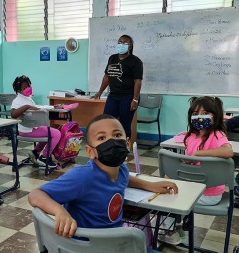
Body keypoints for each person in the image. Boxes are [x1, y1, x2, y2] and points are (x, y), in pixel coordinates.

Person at [28, 114, 178, 238]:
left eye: (117, 135)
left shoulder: (122, 170)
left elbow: (125, 178)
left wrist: (151, 185)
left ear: (127, 143)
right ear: (90, 151)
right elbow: (35, 195)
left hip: (113, 239)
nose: (111, 141)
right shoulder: (83, 176)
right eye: (101, 138)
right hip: (86, 245)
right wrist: (60, 212)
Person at [159, 96, 233, 245]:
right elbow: (192, 160)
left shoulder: (217, 135)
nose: (199, 117)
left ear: (215, 115)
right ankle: (176, 228)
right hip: (193, 186)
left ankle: (170, 231)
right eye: (195, 114)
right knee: (166, 191)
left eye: (205, 113)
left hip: (209, 194)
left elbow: (228, 152)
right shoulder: (191, 137)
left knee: (168, 198)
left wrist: (199, 154)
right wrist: (187, 161)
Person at [93, 34, 143, 139]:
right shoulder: (112, 58)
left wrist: (135, 99)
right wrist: (99, 92)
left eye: (125, 43)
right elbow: (107, 77)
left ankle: (125, 148)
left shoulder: (135, 61)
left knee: (124, 125)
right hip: (113, 96)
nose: (121, 45)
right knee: (106, 122)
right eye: (119, 42)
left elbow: (137, 81)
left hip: (128, 97)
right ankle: (109, 146)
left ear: (130, 46)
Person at [10, 75, 61, 168]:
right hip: (27, 130)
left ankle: (35, 152)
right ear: (18, 90)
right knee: (56, 133)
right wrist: (27, 107)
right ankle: (44, 157)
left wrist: (51, 107)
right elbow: (13, 114)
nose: (28, 88)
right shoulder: (18, 100)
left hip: (30, 128)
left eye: (28, 86)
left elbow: (33, 108)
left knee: (48, 132)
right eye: (25, 87)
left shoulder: (27, 98)